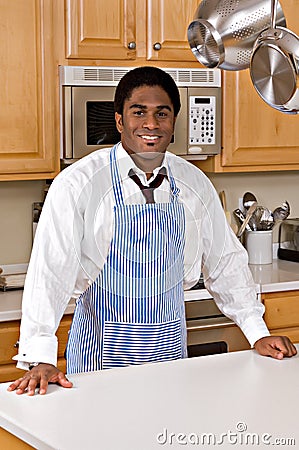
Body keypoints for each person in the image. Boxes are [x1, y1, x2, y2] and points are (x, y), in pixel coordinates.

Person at [8, 66, 296, 396]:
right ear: (119, 120)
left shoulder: (194, 185)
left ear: (174, 121)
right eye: (138, 112)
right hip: (97, 369)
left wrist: (257, 331)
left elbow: (226, 262)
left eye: (162, 113)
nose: (150, 124)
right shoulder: (78, 184)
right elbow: (50, 272)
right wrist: (40, 357)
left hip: (171, 362)